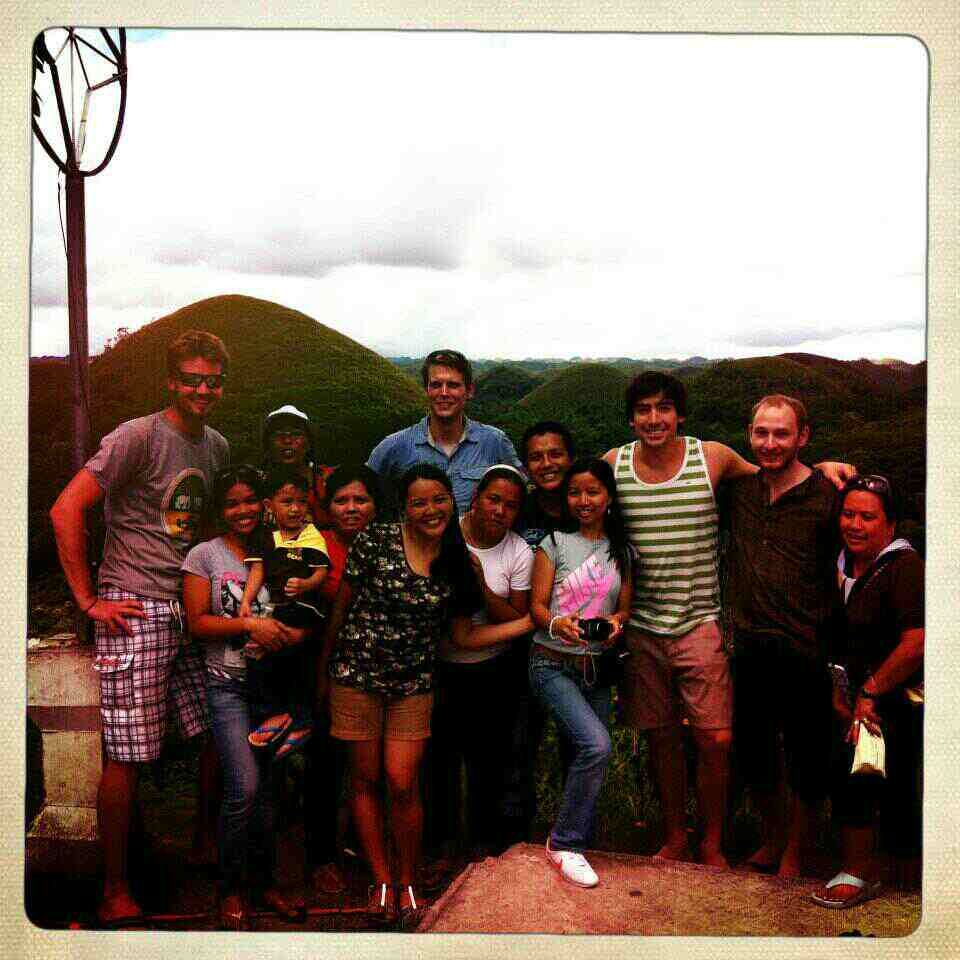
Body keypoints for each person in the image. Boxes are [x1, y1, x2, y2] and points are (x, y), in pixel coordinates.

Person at [605, 371, 852, 869]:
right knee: (676, 740)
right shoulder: (617, 464)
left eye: (664, 408)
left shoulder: (715, 459)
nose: (654, 419)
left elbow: (782, 478)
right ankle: (684, 837)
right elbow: (579, 504)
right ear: (631, 417)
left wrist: (826, 467)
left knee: (723, 739)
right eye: (644, 410)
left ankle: (734, 844)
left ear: (679, 414)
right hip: (650, 626)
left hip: (714, 623)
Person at [49, 329, 230, 925]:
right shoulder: (139, 435)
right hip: (135, 605)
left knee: (211, 729)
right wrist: (87, 600)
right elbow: (66, 507)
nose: (202, 389)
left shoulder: (215, 447)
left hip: (186, 606)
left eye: (212, 380)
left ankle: (202, 843)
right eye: (191, 378)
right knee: (126, 754)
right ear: (170, 381)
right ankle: (115, 887)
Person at [317, 464, 528, 922]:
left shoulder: (459, 561)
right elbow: (342, 608)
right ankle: (383, 880)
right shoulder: (376, 542)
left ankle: (407, 876)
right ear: (404, 508)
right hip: (356, 675)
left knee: (402, 781)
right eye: (419, 502)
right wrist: (324, 670)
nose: (431, 510)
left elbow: (464, 638)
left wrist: (530, 622)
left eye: (439, 499)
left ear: (453, 500)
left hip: (413, 683)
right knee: (364, 779)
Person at [182, 465, 308, 929]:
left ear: (266, 503)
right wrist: (251, 624)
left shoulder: (282, 547)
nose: (243, 511)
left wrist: (290, 635)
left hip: (272, 685)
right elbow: (197, 622)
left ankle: (265, 883)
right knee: (244, 786)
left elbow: (302, 608)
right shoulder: (205, 556)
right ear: (220, 509)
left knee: (270, 790)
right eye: (232, 503)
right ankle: (230, 889)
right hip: (228, 687)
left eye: (251, 500)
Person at [723, 395, 840, 877]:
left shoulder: (830, 497)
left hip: (806, 645)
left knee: (806, 755)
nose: (770, 443)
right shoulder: (740, 491)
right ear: (749, 435)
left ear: (803, 437)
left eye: (781, 433)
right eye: (761, 433)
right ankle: (773, 839)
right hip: (749, 643)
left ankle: (797, 850)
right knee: (754, 752)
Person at [811, 475, 923, 909]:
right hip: (856, 692)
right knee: (850, 770)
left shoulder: (904, 567)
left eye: (868, 517)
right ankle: (866, 868)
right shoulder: (843, 565)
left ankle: (866, 872)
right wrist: (844, 689)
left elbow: (916, 642)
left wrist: (872, 692)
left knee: (873, 775)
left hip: (898, 695)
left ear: (890, 524)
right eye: (849, 514)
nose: (855, 524)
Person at [529, 457, 632, 888]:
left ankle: (578, 839)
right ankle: (565, 842)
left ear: (608, 497)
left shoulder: (622, 550)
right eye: (575, 493)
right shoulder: (553, 543)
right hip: (551, 662)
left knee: (592, 749)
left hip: (596, 668)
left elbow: (624, 607)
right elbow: (535, 608)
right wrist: (558, 624)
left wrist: (615, 625)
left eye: (593, 492)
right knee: (597, 745)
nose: (584, 501)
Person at [431, 464, 534, 859]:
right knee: (439, 761)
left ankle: (482, 849)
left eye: (510, 505)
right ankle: (439, 846)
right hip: (440, 663)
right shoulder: (446, 533)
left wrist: (482, 588)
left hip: (491, 668)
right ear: (475, 499)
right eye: (493, 500)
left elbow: (515, 616)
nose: (499, 511)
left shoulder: (518, 552)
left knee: (486, 762)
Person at [303, 463, 384, 898]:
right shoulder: (315, 547)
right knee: (325, 764)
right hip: (324, 665)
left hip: (380, 670)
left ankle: (364, 846)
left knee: (374, 769)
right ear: (328, 508)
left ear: (375, 505)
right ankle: (322, 858)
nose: (351, 508)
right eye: (342, 500)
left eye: (361, 500)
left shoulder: (391, 544)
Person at [503, 420, 578, 845]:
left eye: (555, 454)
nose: (547, 464)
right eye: (536, 456)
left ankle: (573, 833)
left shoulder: (586, 504)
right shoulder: (520, 512)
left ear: (569, 457)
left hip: (577, 646)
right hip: (525, 646)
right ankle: (517, 839)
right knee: (519, 743)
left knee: (576, 742)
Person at [240, 466, 330, 761]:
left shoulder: (311, 534)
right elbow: (257, 570)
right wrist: (245, 602)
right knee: (265, 658)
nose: (295, 509)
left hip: (305, 609)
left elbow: (321, 572)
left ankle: (295, 717)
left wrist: (305, 584)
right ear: (270, 506)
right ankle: (283, 716)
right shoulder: (267, 538)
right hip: (277, 609)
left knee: (290, 658)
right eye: (287, 501)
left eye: (301, 502)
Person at [367, 349, 522, 514]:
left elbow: (520, 494)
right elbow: (360, 492)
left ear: (469, 391)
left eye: (453, 385)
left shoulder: (494, 442)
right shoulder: (394, 446)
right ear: (426, 389)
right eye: (436, 385)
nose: (444, 393)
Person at [261, 404, 335, 527]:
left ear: (309, 442)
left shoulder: (329, 480)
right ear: (268, 444)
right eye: (279, 435)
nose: (287, 441)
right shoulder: (257, 484)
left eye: (296, 434)